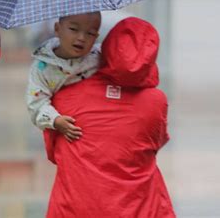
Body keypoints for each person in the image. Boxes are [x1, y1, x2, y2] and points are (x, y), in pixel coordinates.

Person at [44, 17, 176, 218]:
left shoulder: (64, 95)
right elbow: (155, 143)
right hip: (143, 209)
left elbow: (54, 151)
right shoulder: (156, 102)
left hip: (74, 209)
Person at [26, 11, 102, 142]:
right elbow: (36, 103)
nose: (81, 38)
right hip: (67, 134)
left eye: (90, 33)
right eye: (73, 29)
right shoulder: (42, 67)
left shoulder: (99, 57)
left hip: (96, 130)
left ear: (96, 37)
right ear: (57, 29)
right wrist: (55, 120)